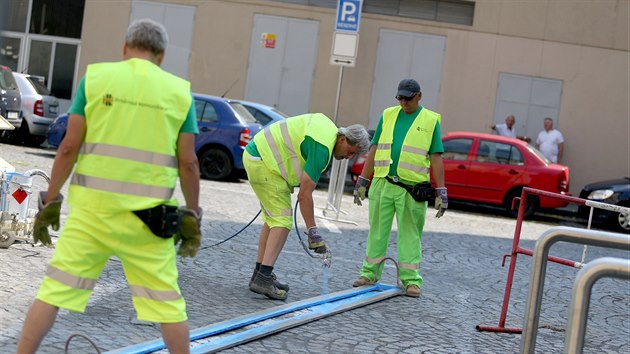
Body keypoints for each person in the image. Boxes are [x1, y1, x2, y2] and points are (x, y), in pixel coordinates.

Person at [17, 19, 202, 354]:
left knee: (53, 292)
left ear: (125, 48)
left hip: (92, 215)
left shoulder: (96, 78)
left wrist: (50, 197)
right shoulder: (178, 92)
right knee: (168, 305)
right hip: (149, 221)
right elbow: (188, 162)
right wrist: (192, 210)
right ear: (160, 57)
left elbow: (69, 146)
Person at [243, 113, 370, 300]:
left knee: (272, 221)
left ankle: (260, 274)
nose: (348, 158)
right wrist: (313, 232)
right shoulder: (322, 148)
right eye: (350, 151)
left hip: (258, 156)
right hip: (264, 163)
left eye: (354, 156)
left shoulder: (327, 131)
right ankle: (262, 279)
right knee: (282, 222)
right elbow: (304, 194)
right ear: (343, 139)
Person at [352, 78, 447, 298]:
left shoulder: (430, 120)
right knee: (376, 232)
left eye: (408, 98)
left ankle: (411, 281)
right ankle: (368, 274)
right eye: (400, 98)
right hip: (383, 184)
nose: (403, 102)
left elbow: (436, 158)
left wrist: (441, 191)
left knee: (410, 235)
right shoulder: (388, 115)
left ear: (419, 96)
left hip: (411, 189)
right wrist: (362, 181)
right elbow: (374, 150)